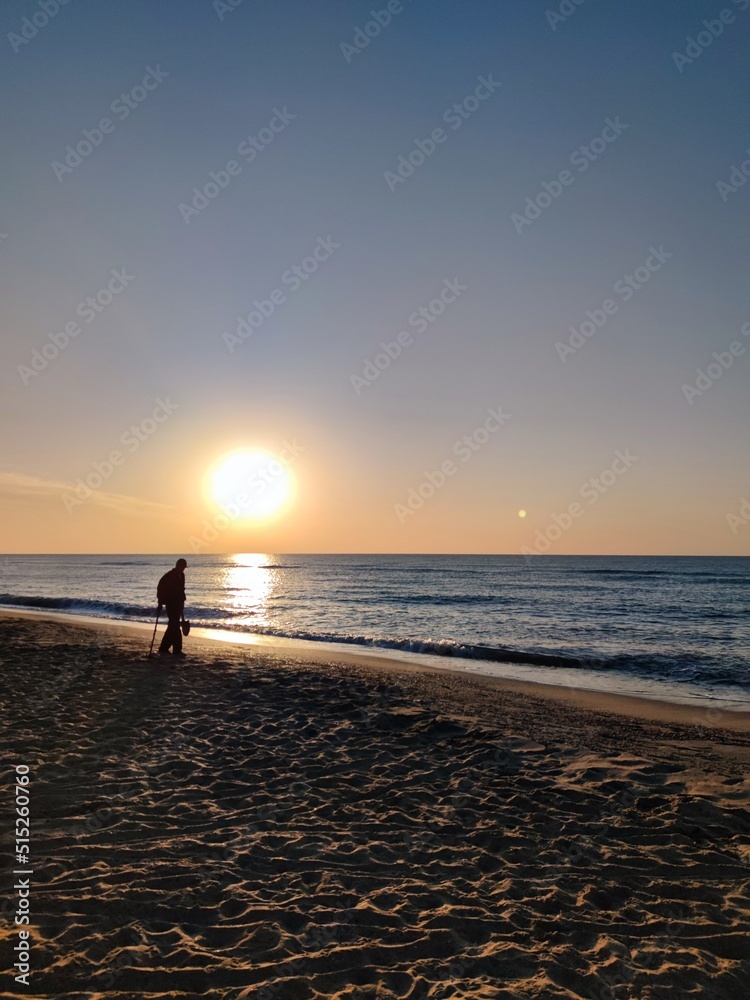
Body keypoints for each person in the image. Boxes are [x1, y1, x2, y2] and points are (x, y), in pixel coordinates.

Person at [157, 558, 188, 657]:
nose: (183, 569)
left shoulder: (182, 576)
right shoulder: (169, 576)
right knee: (174, 626)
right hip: (170, 604)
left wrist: (182, 603)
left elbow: (181, 590)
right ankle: (175, 650)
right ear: (178, 566)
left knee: (173, 626)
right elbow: (160, 589)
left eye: (184, 568)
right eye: (182, 567)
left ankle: (165, 648)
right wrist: (160, 603)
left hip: (178, 604)